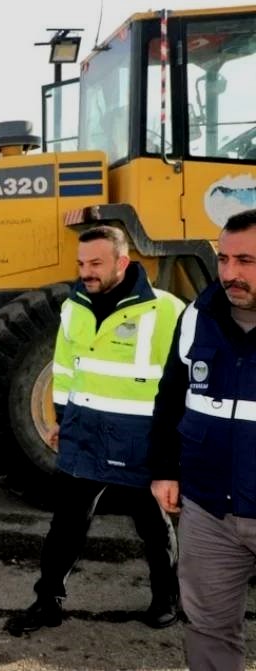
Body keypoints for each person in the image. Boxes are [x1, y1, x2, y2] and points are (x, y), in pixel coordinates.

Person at [6, 226, 183, 635]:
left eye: (96, 264)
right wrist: (62, 422)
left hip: (139, 438)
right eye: (81, 263)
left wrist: (172, 448)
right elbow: (66, 370)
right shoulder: (75, 307)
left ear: (122, 262)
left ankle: (166, 599)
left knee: (153, 526)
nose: (86, 272)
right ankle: (47, 602)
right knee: (66, 525)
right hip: (85, 435)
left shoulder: (167, 311)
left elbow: (179, 384)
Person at [150, 209, 256, 669]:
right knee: (208, 629)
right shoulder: (197, 315)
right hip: (210, 510)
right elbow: (171, 397)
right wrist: (164, 470)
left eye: (246, 261)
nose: (230, 274)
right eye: (224, 259)